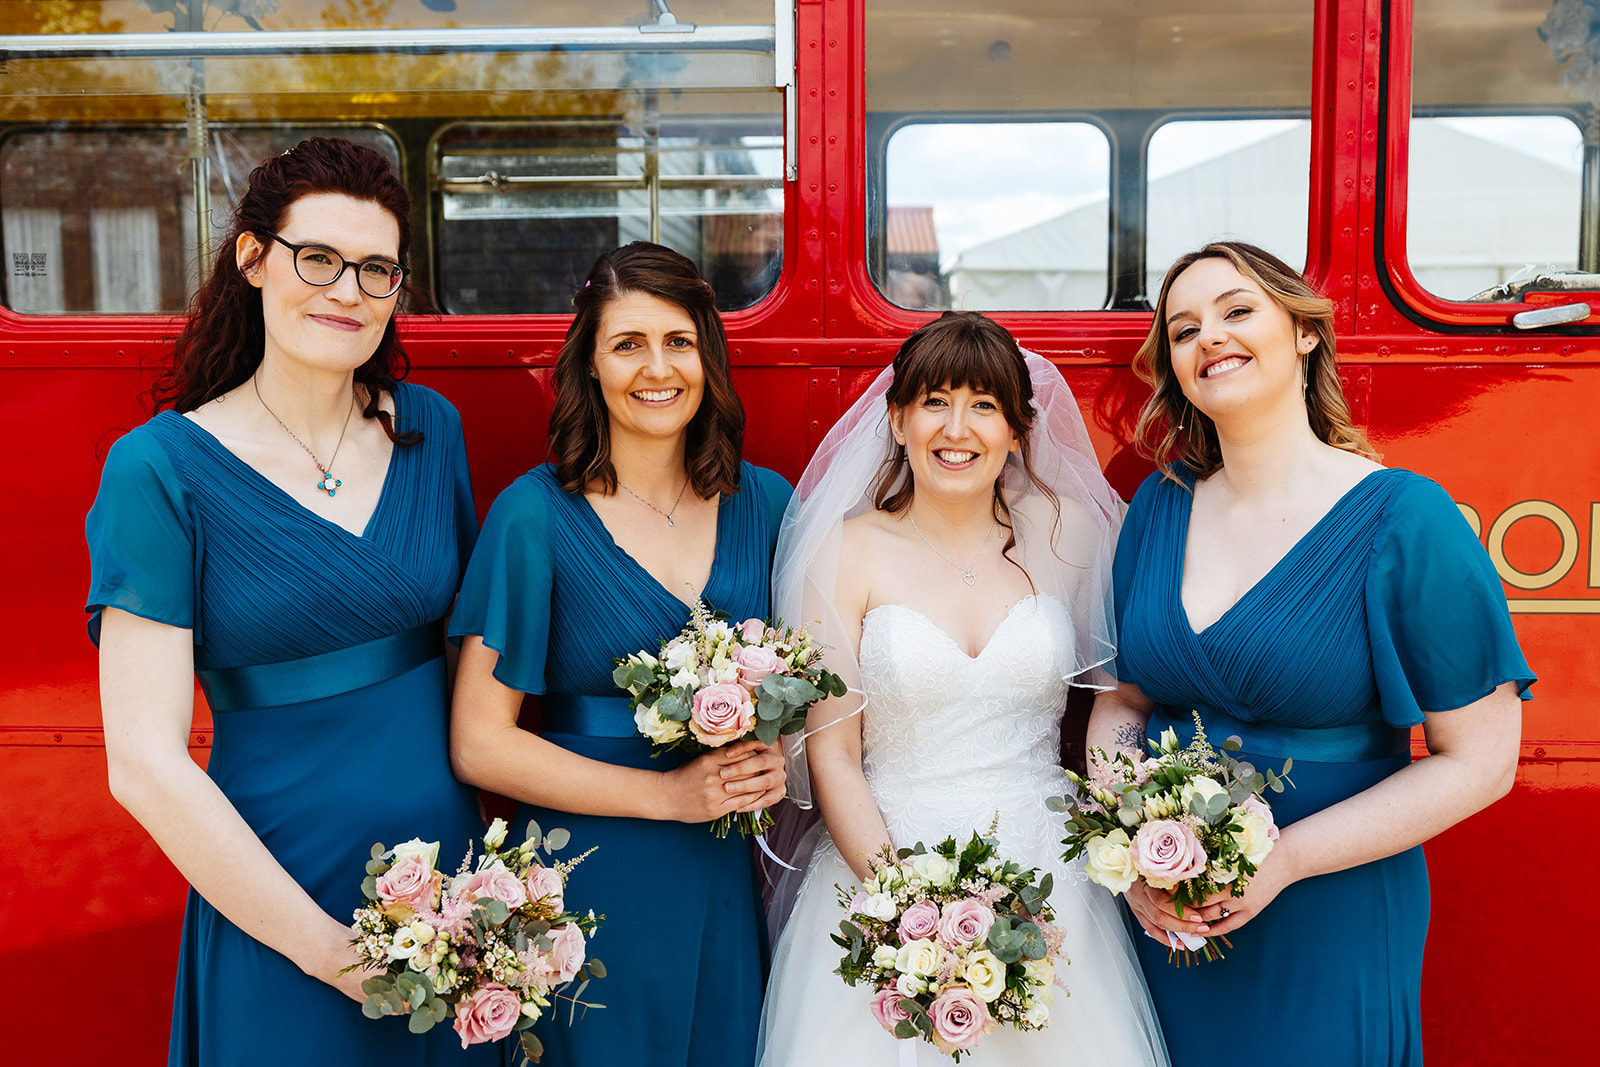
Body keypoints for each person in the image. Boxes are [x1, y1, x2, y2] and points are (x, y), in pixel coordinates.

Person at [85, 138, 494, 1065]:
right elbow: (144, 766)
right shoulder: (159, 470)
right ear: (255, 258)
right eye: (319, 259)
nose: (347, 291)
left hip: (451, 888)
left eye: (377, 270)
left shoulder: (432, 428)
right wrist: (337, 955)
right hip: (278, 893)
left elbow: (476, 660)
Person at [1090, 242, 1532, 1066]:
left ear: (1302, 332)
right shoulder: (1159, 503)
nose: (1208, 337)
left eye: (1236, 310)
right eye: (1183, 330)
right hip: (1167, 917)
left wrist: (1284, 860)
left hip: (1333, 908)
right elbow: (1124, 699)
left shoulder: (1405, 518)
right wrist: (1133, 844)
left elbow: (1481, 761)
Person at [756, 312, 1169, 1066]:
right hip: (884, 864)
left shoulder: (1071, 531)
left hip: (1052, 872)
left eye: (984, 404)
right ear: (897, 419)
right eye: (935, 400)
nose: (958, 426)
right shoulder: (845, 548)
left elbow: (1118, 698)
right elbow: (835, 756)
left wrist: (1130, 824)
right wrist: (913, 912)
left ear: (1018, 430)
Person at [448, 241, 791, 1067]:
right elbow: (478, 742)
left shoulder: (770, 502)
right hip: (586, 869)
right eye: (627, 344)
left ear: (707, 357)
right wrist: (667, 795)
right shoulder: (532, 515)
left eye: (678, 341)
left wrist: (780, 751)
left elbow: (817, 686)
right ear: (590, 365)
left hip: (719, 871)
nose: (656, 367)